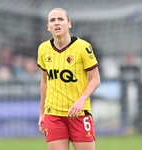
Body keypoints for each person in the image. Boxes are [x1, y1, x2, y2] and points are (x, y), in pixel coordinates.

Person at [37, 8, 101, 150]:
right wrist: (42, 113)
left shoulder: (83, 47)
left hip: (79, 113)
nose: (56, 23)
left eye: (60, 19)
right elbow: (45, 82)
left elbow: (95, 79)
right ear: (48, 27)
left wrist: (81, 99)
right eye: (52, 20)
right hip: (53, 115)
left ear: (69, 24)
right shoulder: (43, 49)